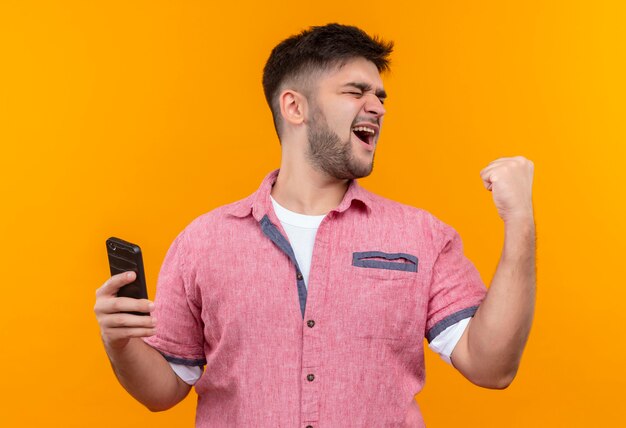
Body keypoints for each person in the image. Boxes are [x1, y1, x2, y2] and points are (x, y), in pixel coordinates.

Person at [94, 23, 536, 427]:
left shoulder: (422, 236)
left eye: (381, 96)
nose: (377, 107)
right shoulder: (204, 242)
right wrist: (121, 345)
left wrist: (519, 223)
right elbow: (162, 391)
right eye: (355, 91)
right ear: (294, 107)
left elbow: (491, 366)